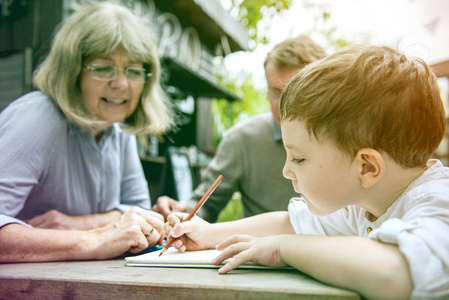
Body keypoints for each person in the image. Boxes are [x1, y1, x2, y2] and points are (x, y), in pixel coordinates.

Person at [165, 45, 449, 299]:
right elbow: (289, 223)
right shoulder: (367, 204)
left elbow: (396, 275)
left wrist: (283, 250)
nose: (286, 170)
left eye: (299, 158)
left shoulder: (438, 204)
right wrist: (209, 233)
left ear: (367, 167)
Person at [0, 2, 174, 262]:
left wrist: (82, 224)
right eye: (103, 67)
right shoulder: (37, 117)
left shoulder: (118, 127)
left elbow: (138, 213)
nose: (121, 84)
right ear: (72, 71)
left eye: (134, 71)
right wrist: (97, 238)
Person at [154, 35, 327, 222]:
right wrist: (179, 213)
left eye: (295, 92)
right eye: (275, 93)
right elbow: (203, 206)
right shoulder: (242, 139)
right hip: (263, 248)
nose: (283, 105)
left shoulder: (348, 137)